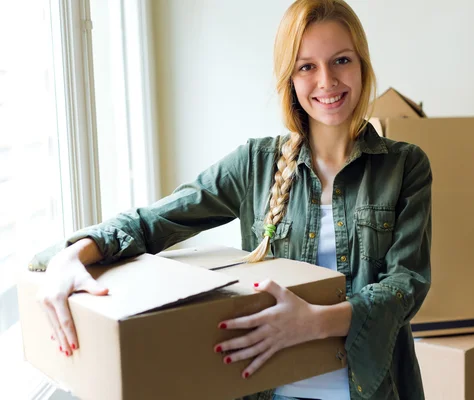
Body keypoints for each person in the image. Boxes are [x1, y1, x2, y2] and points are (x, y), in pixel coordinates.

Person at [30, 0, 432, 399]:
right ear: (289, 78)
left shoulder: (405, 166)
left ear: (362, 64)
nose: (326, 80)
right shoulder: (255, 165)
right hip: (271, 388)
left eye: (341, 60)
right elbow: (153, 222)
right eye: (306, 66)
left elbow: (406, 284)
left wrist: (312, 323)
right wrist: (71, 255)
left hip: (373, 388)